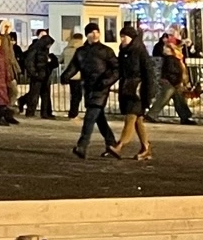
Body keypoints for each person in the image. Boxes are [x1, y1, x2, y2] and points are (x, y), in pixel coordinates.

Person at [71, 22, 120, 158]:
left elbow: (116, 69)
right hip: (88, 87)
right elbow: (74, 66)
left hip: (101, 88)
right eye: (92, 32)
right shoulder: (81, 51)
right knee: (99, 118)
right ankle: (112, 143)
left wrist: (107, 81)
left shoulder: (106, 51)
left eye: (97, 32)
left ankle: (82, 145)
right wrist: (66, 76)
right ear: (87, 35)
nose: (95, 34)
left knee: (90, 117)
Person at [114, 22, 155, 162]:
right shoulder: (124, 52)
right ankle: (146, 148)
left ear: (132, 38)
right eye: (121, 37)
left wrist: (149, 94)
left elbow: (149, 73)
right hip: (127, 89)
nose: (122, 39)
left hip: (138, 91)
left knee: (130, 118)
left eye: (124, 36)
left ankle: (120, 145)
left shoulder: (140, 51)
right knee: (138, 121)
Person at [158, 31, 196, 125]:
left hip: (174, 81)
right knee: (168, 98)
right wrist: (177, 81)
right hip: (173, 81)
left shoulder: (174, 58)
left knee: (178, 98)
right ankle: (185, 116)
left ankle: (185, 116)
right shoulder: (171, 58)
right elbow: (173, 71)